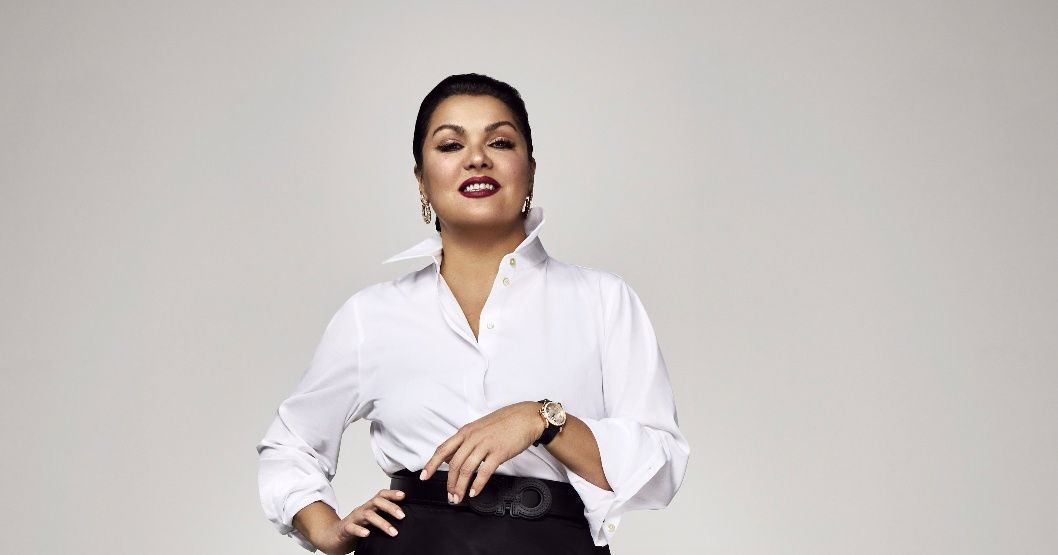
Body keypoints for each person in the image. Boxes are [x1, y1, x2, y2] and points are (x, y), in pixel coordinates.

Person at [256, 73, 690, 555]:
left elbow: (662, 467)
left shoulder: (602, 300)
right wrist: (324, 529)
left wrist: (542, 421)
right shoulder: (371, 315)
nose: (477, 158)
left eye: (499, 142)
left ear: (530, 172)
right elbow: (290, 445)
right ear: (421, 181)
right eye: (450, 145)